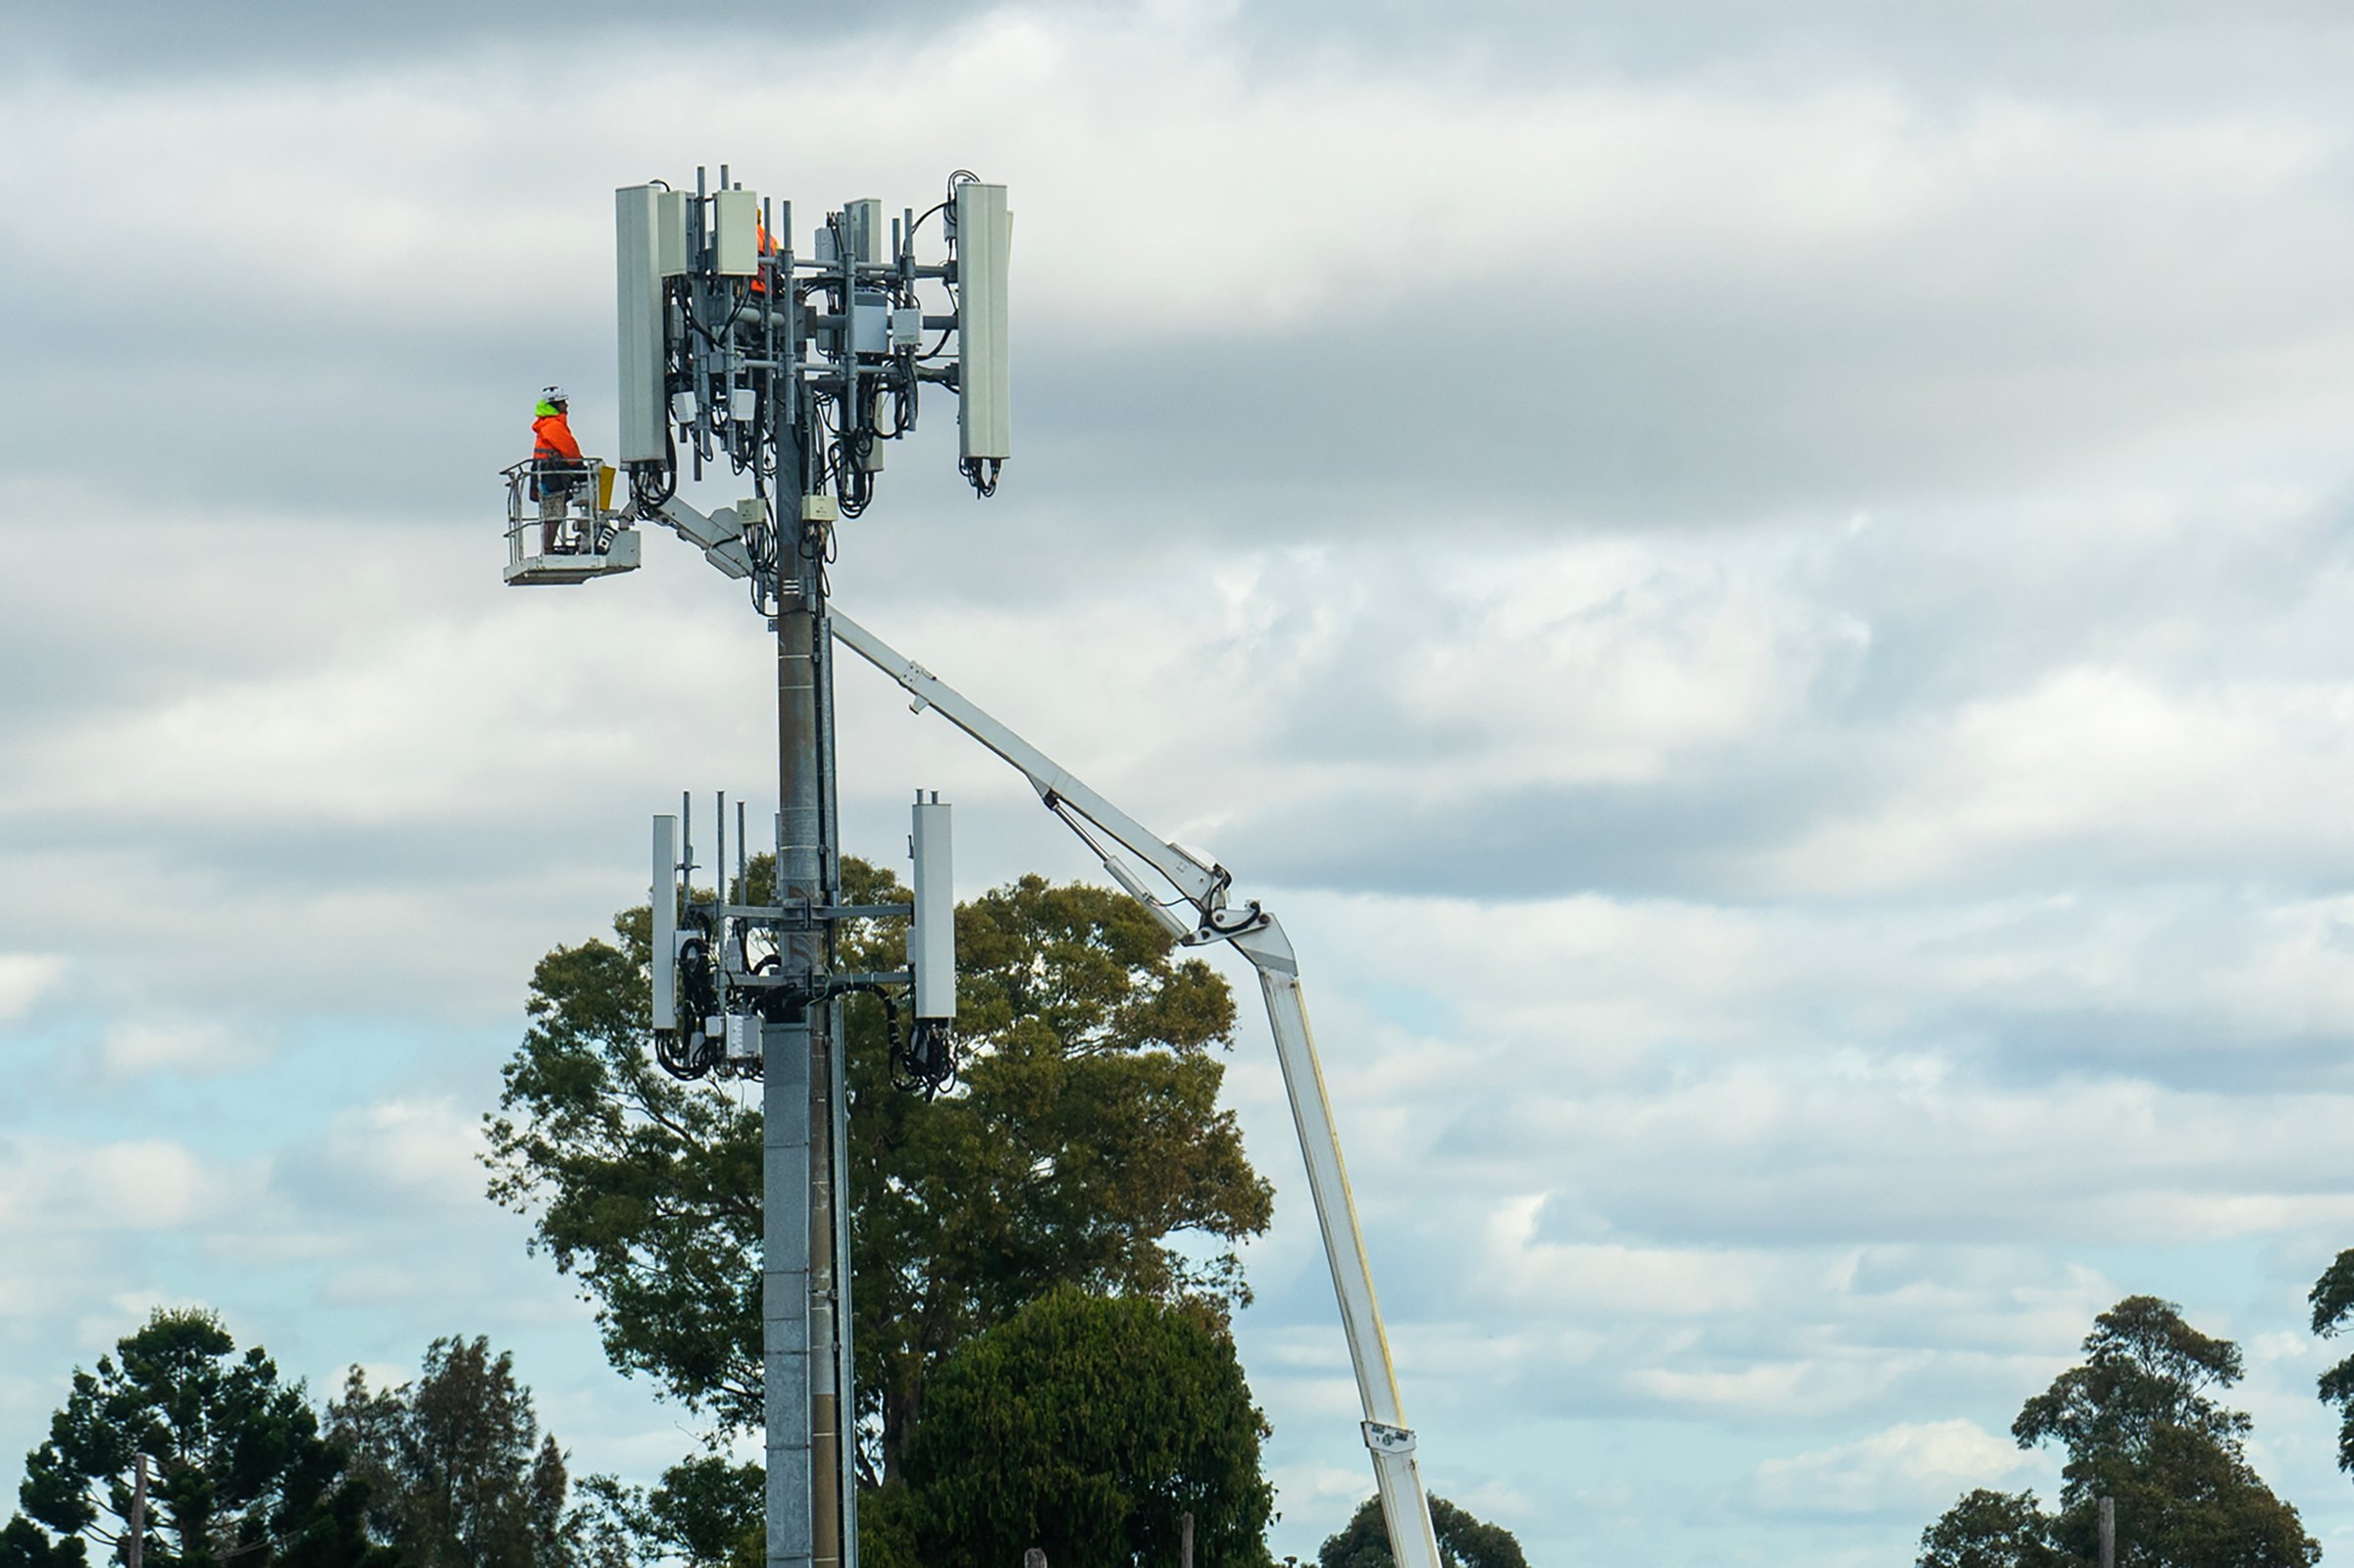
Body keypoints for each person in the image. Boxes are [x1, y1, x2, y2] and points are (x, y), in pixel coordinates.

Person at [531, 386, 584, 553]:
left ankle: (548, 547)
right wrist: (581, 468)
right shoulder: (553, 426)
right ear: (555, 405)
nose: (566, 405)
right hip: (551, 475)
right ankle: (548, 549)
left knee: (554, 512)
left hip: (546, 473)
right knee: (554, 512)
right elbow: (570, 450)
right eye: (563, 402)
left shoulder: (547, 424)